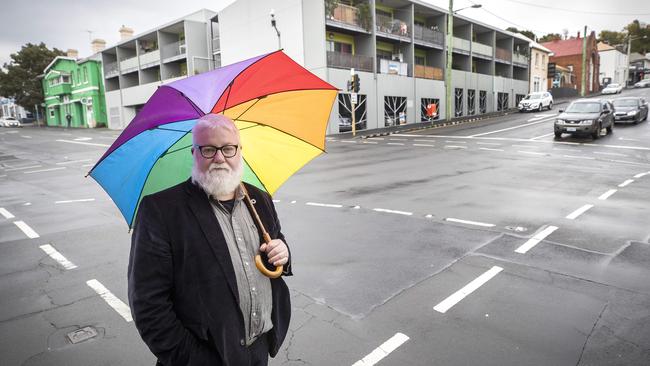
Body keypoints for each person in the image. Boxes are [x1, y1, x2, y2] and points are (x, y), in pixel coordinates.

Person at [128, 113, 292, 366]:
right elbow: (148, 305)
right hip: (204, 357)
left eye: (228, 148)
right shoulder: (161, 210)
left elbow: (277, 244)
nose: (219, 158)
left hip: (259, 350)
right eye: (208, 149)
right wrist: (195, 360)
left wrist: (284, 252)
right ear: (194, 153)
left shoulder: (260, 199)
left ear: (239, 151)